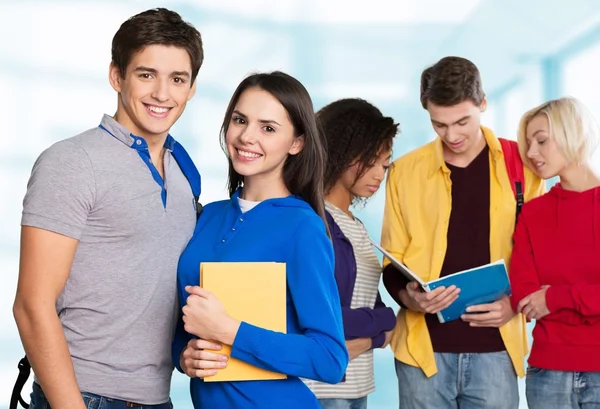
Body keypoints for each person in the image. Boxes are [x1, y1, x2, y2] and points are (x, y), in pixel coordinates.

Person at [12, 8, 203, 409]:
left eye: (177, 79)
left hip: (157, 398)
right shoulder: (73, 161)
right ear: (117, 76)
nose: (162, 94)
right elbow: (32, 305)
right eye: (146, 74)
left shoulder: (184, 171)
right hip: (84, 395)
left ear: (191, 88)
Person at [172, 71, 349, 409]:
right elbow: (184, 321)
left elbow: (330, 359)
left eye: (268, 128)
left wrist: (229, 331)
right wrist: (184, 356)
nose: (246, 136)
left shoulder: (302, 227)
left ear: (296, 143)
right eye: (240, 120)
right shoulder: (207, 216)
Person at [380, 56, 545, 408]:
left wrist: (514, 303)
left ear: (483, 103)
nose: (451, 135)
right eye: (439, 124)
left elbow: (541, 257)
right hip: (422, 354)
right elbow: (391, 263)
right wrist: (411, 298)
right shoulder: (405, 172)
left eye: (462, 121)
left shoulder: (524, 166)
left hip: (497, 351)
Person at [302, 98, 398, 409]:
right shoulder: (314, 222)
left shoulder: (355, 226)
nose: (380, 174)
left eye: (385, 164)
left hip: (357, 383)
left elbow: (375, 309)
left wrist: (379, 327)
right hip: (323, 387)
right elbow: (321, 317)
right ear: (345, 151)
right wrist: (381, 325)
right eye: (373, 161)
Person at [509, 96, 600, 409]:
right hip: (547, 373)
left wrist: (555, 299)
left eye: (542, 141)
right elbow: (523, 294)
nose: (532, 153)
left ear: (572, 133)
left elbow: (542, 300)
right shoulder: (532, 214)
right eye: (529, 143)